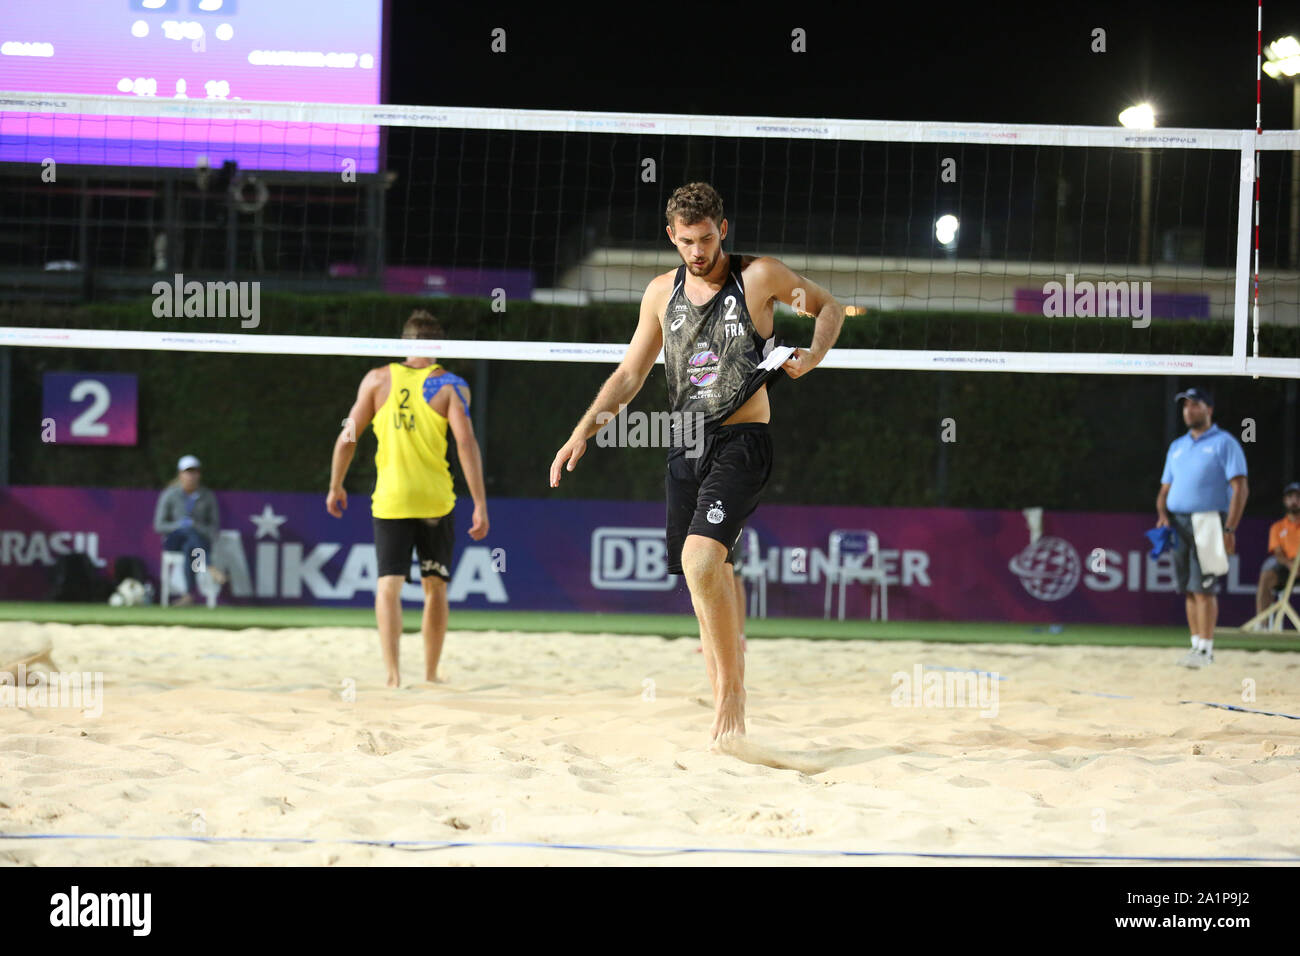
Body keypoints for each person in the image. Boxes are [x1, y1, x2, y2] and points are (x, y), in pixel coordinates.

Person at [550, 182, 844, 741]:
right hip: (685, 443)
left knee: (701, 562)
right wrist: (582, 430)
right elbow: (632, 374)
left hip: (742, 440)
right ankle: (723, 706)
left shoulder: (758, 278)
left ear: (723, 229)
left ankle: (733, 697)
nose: (698, 251)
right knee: (711, 575)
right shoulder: (662, 294)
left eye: (706, 238)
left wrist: (815, 354)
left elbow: (828, 306)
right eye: (687, 241)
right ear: (672, 238)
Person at [327, 310, 489, 687]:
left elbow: (348, 436)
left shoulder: (376, 380)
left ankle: (393, 676)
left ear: (404, 343)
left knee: (388, 585)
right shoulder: (450, 384)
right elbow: (465, 444)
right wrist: (480, 503)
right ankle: (431, 674)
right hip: (434, 500)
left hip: (392, 498)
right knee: (435, 586)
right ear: (438, 345)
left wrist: (336, 484)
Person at [1155, 386, 1249, 668]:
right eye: (1185, 406)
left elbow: (1240, 488)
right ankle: (1195, 646)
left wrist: (1230, 529)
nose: (1189, 411)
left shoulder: (1225, 443)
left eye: (1195, 405)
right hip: (1179, 522)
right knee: (1187, 587)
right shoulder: (1177, 446)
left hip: (1209, 520)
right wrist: (1162, 513)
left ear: (1209, 409)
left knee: (1204, 588)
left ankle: (1206, 650)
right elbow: (1164, 490)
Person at [153, 454, 220, 606]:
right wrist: (179, 525)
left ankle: (188, 595)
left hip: (197, 542)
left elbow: (214, 528)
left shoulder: (207, 496)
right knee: (188, 533)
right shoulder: (170, 494)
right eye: (187, 472)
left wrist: (195, 526)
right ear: (180, 474)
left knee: (190, 545)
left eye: (194, 471)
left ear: (199, 474)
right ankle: (209, 565)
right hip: (174, 540)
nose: (191, 476)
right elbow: (159, 525)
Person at [1256, 481, 1300, 615]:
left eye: (1298, 497)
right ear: (1285, 501)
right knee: (1267, 572)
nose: (1294, 501)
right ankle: (1262, 626)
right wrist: (1290, 565)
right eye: (1290, 497)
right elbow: (1278, 552)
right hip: (1287, 570)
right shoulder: (1277, 527)